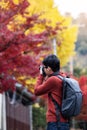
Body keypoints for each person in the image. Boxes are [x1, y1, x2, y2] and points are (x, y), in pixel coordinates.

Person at [34, 54, 70, 130]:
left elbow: (36, 91)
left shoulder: (53, 80)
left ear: (49, 68)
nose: (44, 69)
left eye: (45, 67)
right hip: (64, 122)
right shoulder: (63, 76)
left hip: (55, 122)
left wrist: (41, 75)